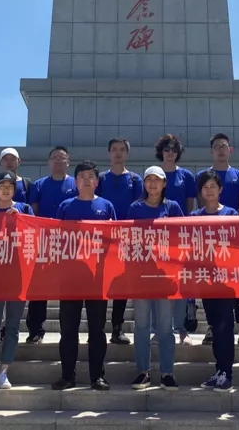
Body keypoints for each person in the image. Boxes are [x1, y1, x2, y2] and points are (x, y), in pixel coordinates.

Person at [51, 160, 115, 392]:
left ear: (97, 181)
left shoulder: (106, 206)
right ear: (75, 181)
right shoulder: (66, 206)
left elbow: (114, 241)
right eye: (82, 176)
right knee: (68, 329)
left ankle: (97, 376)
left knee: (97, 330)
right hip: (71, 277)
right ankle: (67, 376)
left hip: (98, 277)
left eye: (91, 176)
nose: (86, 180)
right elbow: (56, 238)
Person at [127, 166, 182, 391]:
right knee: (141, 325)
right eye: (148, 179)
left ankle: (167, 373)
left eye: (157, 180)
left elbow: (182, 236)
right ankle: (143, 371)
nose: (152, 184)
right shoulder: (135, 208)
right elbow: (128, 239)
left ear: (164, 183)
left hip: (166, 276)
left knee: (165, 327)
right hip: (142, 275)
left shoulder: (172, 207)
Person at [0, 171, 35, 390]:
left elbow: (35, 234)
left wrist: (21, 221)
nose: (5, 189)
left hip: (18, 276)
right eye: (1, 186)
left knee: (12, 326)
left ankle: (4, 372)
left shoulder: (24, 209)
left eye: (10, 186)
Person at [201, 133, 239, 347]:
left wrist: (230, 225)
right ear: (211, 151)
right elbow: (203, 206)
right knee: (209, 283)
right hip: (210, 241)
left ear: (230, 150)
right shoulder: (204, 176)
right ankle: (211, 327)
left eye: (224, 146)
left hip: (233, 238)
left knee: (237, 284)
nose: (220, 150)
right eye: (216, 147)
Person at [25, 146, 77, 344]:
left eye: (62, 158)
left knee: (68, 289)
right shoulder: (38, 185)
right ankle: (36, 330)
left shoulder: (76, 183)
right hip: (43, 242)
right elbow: (33, 214)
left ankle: (68, 331)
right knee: (39, 288)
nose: (58, 161)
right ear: (48, 162)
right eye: (54, 158)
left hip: (69, 244)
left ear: (68, 162)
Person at [191, 170, 238, 392]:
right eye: (205, 187)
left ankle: (226, 373)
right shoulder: (194, 216)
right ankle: (220, 371)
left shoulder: (230, 214)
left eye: (213, 186)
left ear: (221, 189)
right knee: (214, 326)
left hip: (226, 280)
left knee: (225, 326)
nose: (209, 191)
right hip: (205, 279)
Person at [97, 137, 142, 346]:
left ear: (127, 153)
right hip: (103, 239)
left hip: (126, 239)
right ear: (109, 153)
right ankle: (98, 327)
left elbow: (139, 207)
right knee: (101, 282)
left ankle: (117, 327)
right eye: (114, 149)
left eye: (122, 149)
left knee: (121, 284)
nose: (118, 153)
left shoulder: (135, 179)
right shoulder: (100, 179)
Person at [154, 133, 196, 343]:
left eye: (174, 150)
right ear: (161, 152)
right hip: (157, 238)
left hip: (179, 236)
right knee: (159, 282)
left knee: (180, 283)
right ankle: (159, 329)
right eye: (166, 149)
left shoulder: (186, 175)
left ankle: (181, 328)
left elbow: (189, 206)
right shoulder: (154, 175)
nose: (170, 153)